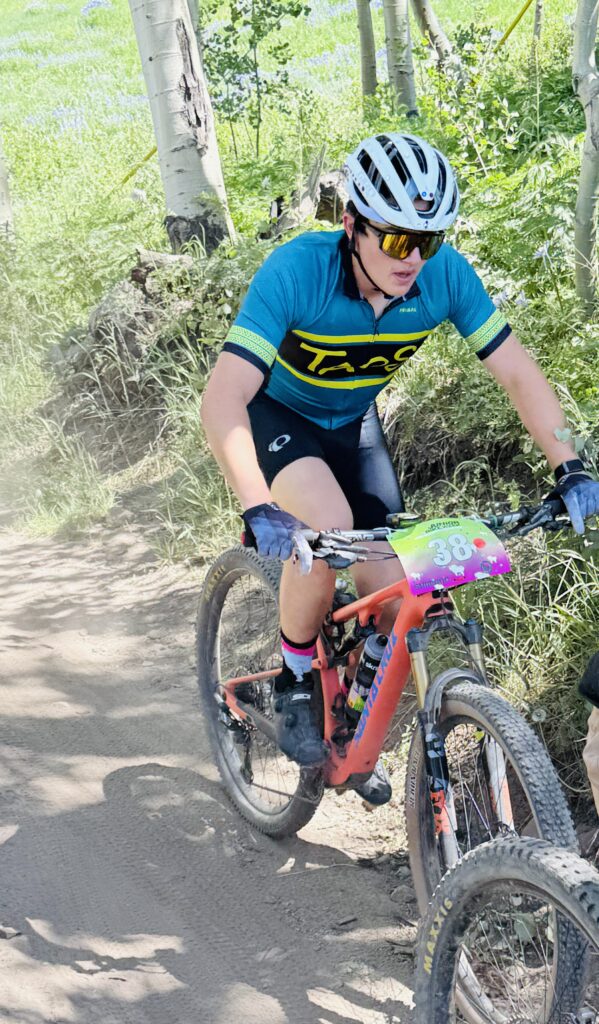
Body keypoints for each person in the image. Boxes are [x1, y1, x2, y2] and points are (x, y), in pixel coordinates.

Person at [201, 132, 599, 805]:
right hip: (278, 418)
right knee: (327, 527)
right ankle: (295, 675)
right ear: (351, 224)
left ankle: (352, 726)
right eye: (395, 239)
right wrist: (255, 503)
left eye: (428, 240)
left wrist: (571, 466)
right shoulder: (296, 272)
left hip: (354, 425)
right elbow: (222, 399)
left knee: (393, 591)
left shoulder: (443, 278)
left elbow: (517, 373)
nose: (412, 258)